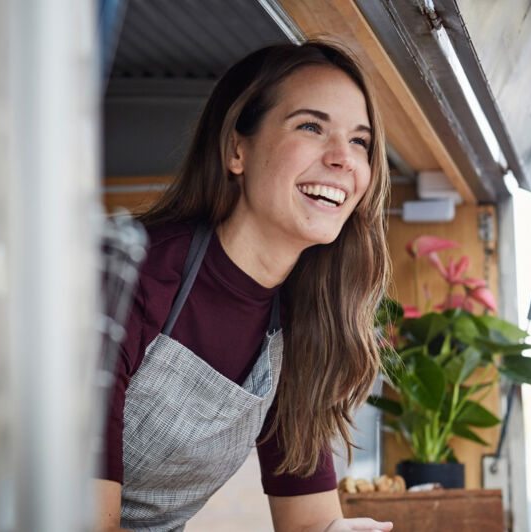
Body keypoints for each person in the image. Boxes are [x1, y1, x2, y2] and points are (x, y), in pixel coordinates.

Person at [97, 40, 394, 532]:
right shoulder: (127, 275)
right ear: (238, 149)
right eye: (311, 126)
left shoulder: (300, 326)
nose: (344, 158)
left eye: (360, 141)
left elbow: (309, 522)